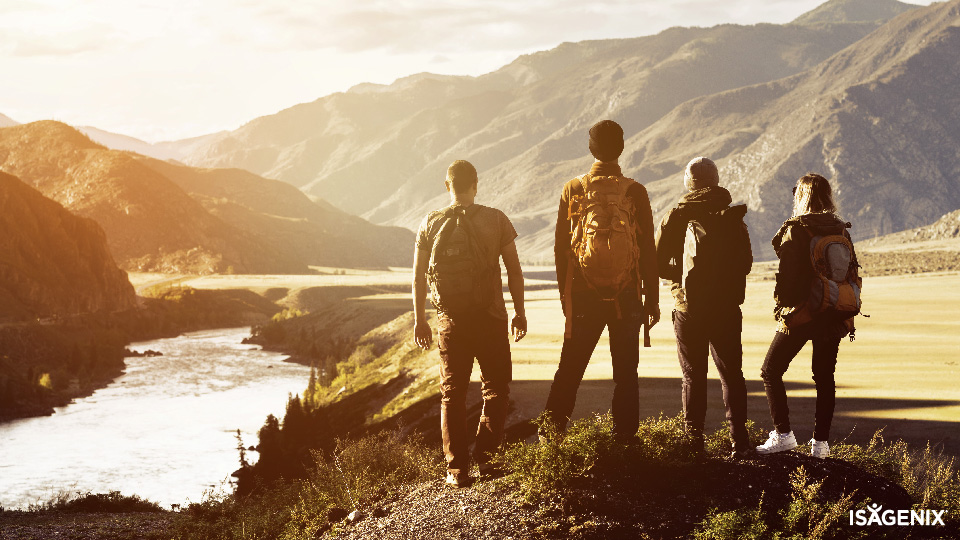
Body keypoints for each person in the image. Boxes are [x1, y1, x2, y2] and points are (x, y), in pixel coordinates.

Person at [413, 159, 527, 487]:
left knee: (452, 393)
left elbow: (419, 277)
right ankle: (488, 461)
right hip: (490, 319)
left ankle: (457, 470)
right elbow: (515, 272)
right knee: (496, 389)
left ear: (447, 186)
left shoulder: (430, 223)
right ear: (476, 185)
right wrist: (519, 312)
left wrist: (421, 319)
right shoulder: (496, 219)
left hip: (450, 321)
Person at [543, 119, 660, 441]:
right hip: (627, 296)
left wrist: (566, 298)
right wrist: (652, 299)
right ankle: (625, 440)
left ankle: (550, 438)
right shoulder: (635, 191)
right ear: (621, 148)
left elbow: (560, 248)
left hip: (582, 295)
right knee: (625, 374)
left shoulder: (573, 190)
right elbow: (648, 250)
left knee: (570, 369)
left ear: (590, 148)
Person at [654, 156, 755, 459]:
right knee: (732, 375)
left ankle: (693, 443)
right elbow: (746, 264)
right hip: (726, 307)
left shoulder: (676, 215)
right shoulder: (731, 216)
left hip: (689, 307)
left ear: (689, 181)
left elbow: (656, 262)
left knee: (693, 376)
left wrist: (679, 284)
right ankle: (739, 442)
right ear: (716, 179)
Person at [756, 173, 859, 459]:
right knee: (825, 377)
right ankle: (820, 445)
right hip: (834, 311)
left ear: (800, 197)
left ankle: (783, 435)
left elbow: (786, 278)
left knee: (770, 370)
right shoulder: (841, 230)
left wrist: (782, 308)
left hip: (803, 313)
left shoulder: (796, 229)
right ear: (828, 196)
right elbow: (852, 273)